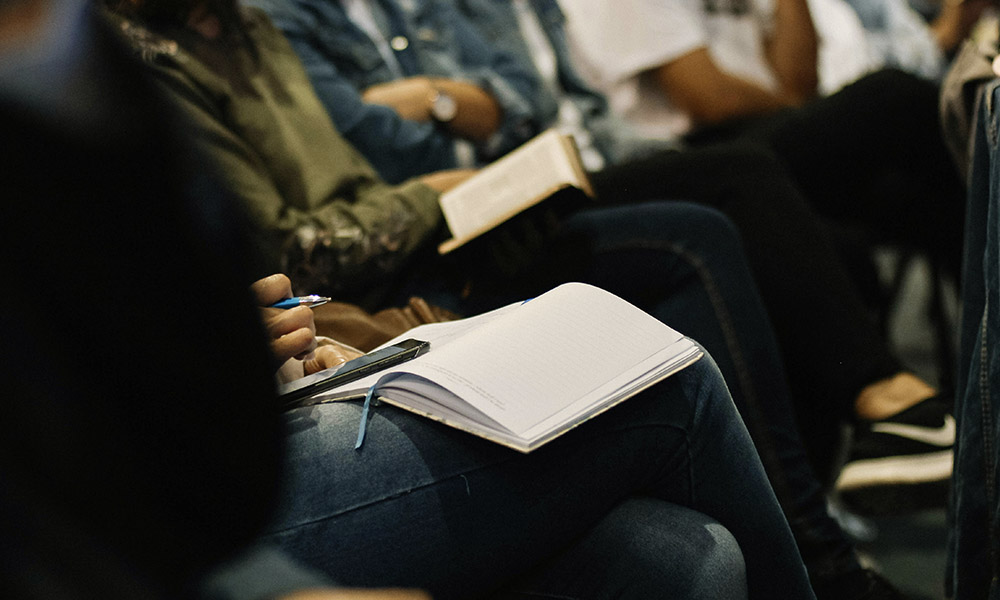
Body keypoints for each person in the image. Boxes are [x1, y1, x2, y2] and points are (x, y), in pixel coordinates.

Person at [2, 4, 820, 598]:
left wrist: (232, 342)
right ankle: (834, 569)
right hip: (159, 508)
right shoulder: (123, 62)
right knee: (669, 377)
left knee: (689, 558)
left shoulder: (220, 37)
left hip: (244, 430)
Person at [248, 0, 954, 520]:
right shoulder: (287, 18)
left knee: (834, 217)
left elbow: (526, 99)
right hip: (457, 223)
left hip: (550, 176)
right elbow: (374, 140)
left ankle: (857, 472)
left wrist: (438, 101)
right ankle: (874, 425)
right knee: (744, 185)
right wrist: (460, 111)